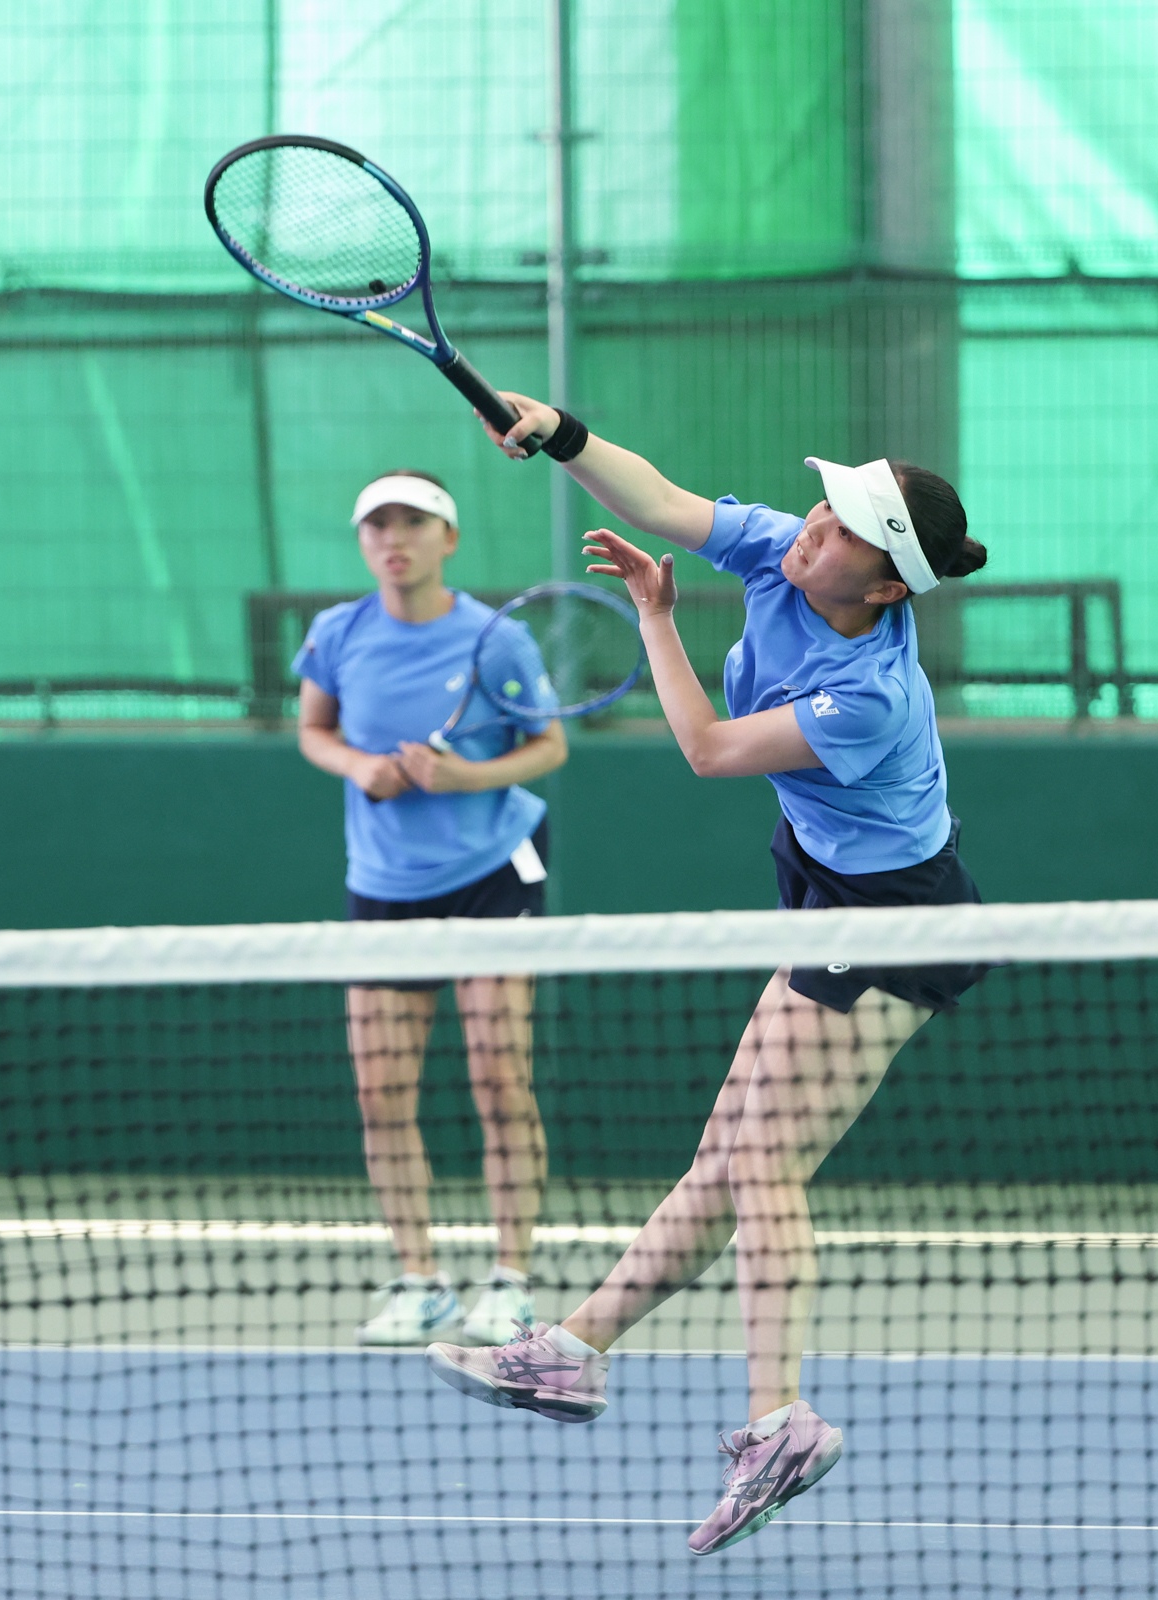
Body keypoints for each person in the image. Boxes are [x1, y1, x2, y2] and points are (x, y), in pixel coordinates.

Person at [423, 397, 990, 1556]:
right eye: (827, 506)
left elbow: (707, 749)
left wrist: (655, 619)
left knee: (762, 1162)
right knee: (725, 1158)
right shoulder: (788, 553)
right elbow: (663, 501)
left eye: (847, 529)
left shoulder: (869, 693)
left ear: (888, 587)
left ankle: (779, 1419)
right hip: (828, 892)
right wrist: (561, 432)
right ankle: (570, 1353)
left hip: (890, 917)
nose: (816, 526)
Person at [294, 470, 567, 1348]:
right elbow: (314, 731)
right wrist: (358, 766)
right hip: (386, 883)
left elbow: (549, 745)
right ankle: (420, 1281)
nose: (393, 539)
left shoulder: (497, 639)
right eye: (377, 525)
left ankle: (511, 1282)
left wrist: (465, 776)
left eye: (412, 522)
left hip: (492, 872)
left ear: (447, 538)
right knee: (380, 1090)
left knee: (498, 1076)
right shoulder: (337, 634)